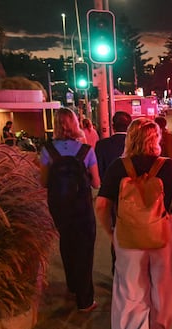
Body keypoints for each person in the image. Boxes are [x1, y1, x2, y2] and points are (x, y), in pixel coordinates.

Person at [94, 118, 172, 329]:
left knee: (131, 291)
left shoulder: (118, 167)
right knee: (162, 292)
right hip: (163, 235)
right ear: (156, 139)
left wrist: (111, 232)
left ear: (130, 138)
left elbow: (101, 205)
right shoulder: (169, 167)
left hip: (128, 236)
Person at [39, 107, 101, 312]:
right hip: (82, 207)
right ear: (75, 123)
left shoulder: (48, 150)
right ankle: (85, 300)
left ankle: (73, 286)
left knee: (67, 243)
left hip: (59, 208)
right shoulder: (86, 151)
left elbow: (44, 182)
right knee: (85, 249)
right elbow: (96, 183)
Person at [95, 111, 133, 273]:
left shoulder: (102, 145)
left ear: (112, 126)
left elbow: (98, 173)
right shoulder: (135, 145)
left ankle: (117, 268)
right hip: (134, 197)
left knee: (116, 233)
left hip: (112, 197)